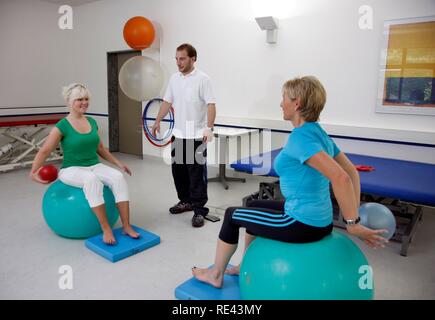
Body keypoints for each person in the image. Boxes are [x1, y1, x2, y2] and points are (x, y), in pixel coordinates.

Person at [192, 76, 389, 288]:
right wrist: (355, 212)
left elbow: (341, 177)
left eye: (283, 98)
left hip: (301, 223)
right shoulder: (318, 133)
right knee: (253, 205)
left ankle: (215, 274)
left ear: (297, 103)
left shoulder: (301, 138)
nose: (280, 103)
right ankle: (245, 265)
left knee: (231, 215)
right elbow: (351, 171)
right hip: (319, 220)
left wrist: (353, 223)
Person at [30, 83, 139, 244]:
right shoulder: (62, 126)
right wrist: (33, 172)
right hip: (71, 169)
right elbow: (45, 150)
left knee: (117, 177)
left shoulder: (91, 122)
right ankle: (106, 229)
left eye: (86, 99)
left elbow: (100, 148)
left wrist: (118, 163)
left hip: (94, 165)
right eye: (79, 99)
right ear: (70, 102)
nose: (84, 102)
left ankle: (126, 226)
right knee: (91, 180)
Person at [152, 43, 216, 228]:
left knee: (196, 175)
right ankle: (185, 201)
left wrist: (209, 128)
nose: (178, 62)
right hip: (178, 135)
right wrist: (157, 121)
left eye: (182, 58)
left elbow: (211, 104)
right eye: (176, 58)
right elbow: (167, 102)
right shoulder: (174, 79)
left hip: (196, 136)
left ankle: (199, 210)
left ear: (193, 58)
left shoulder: (203, 79)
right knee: (179, 173)